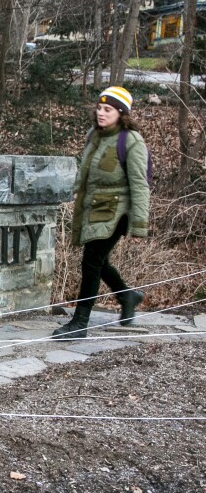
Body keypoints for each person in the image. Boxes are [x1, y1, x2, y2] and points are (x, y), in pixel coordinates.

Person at [52, 85, 150, 339]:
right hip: (93, 208)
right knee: (98, 261)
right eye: (99, 108)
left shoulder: (130, 140)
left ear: (121, 113)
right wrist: (75, 191)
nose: (101, 113)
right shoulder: (94, 135)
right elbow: (85, 171)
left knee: (91, 262)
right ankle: (127, 296)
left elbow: (140, 184)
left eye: (108, 109)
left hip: (116, 212)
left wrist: (139, 224)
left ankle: (80, 322)